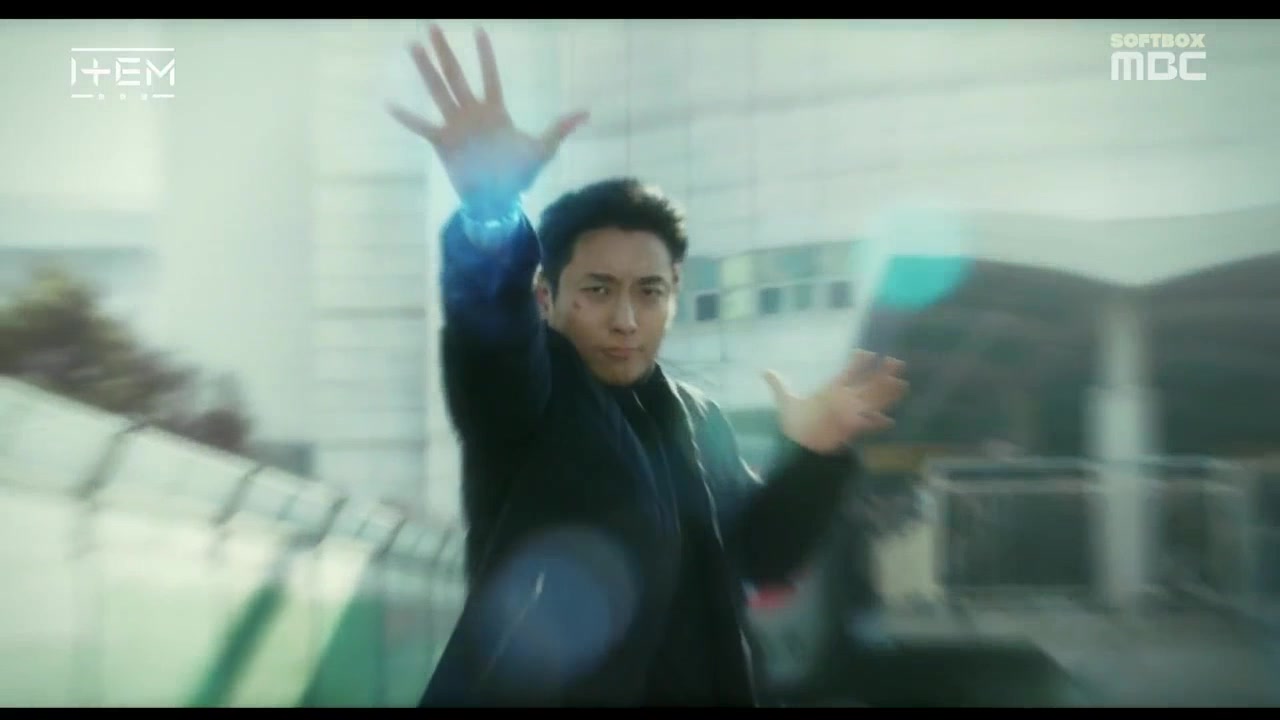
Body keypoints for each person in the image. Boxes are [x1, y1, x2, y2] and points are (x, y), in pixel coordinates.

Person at [389, 25, 909, 707]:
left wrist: (814, 455)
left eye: (649, 292)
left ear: (675, 294)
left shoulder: (695, 418)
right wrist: (490, 216)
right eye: (598, 290)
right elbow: (491, 335)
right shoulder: (527, 399)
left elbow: (759, 556)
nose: (626, 320)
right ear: (547, 297)